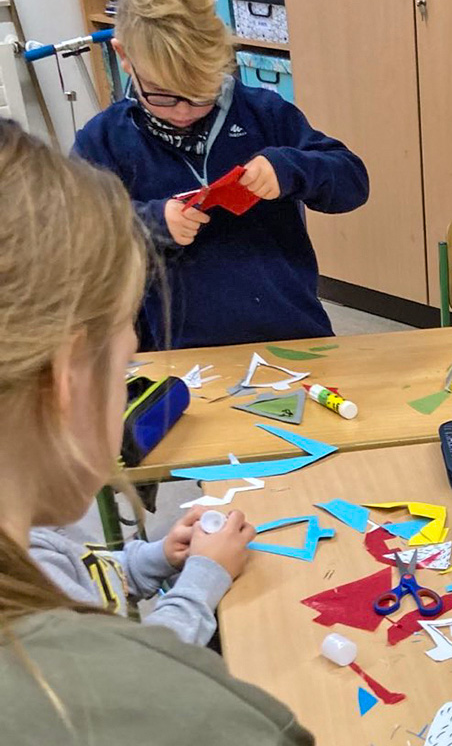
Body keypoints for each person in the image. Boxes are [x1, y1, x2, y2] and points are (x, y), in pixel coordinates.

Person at [0, 121, 312, 743]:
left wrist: (145, 561)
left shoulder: (33, 542)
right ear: (67, 379)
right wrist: (199, 582)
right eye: (128, 355)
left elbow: (71, 572)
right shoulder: (151, 703)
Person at [74, 0, 368, 350]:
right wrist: (151, 223)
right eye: (162, 95)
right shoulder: (105, 140)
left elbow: (352, 181)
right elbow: (76, 239)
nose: (182, 112)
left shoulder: (264, 114)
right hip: (176, 354)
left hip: (293, 336)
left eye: (200, 94)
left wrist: (289, 168)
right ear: (124, 57)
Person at [29, 503, 253, 647]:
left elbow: (95, 577)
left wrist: (159, 557)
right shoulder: (30, 567)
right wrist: (206, 574)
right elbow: (134, 665)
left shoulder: (39, 523)